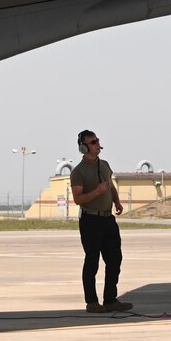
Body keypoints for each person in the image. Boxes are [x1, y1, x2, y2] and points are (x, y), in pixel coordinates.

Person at [69, 130, 131, 313]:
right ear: (83, 147)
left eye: (97, 141)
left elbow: (110, 186)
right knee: (92, 261)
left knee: (115, 259)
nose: (97, 144)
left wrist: (117, 201)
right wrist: (97, 191)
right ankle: (92, 302)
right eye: (93, 142)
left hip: (107, 219)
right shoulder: (78, 172)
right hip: (90, 220)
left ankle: (111, 299)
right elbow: (78, 199)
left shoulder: (104, 165)